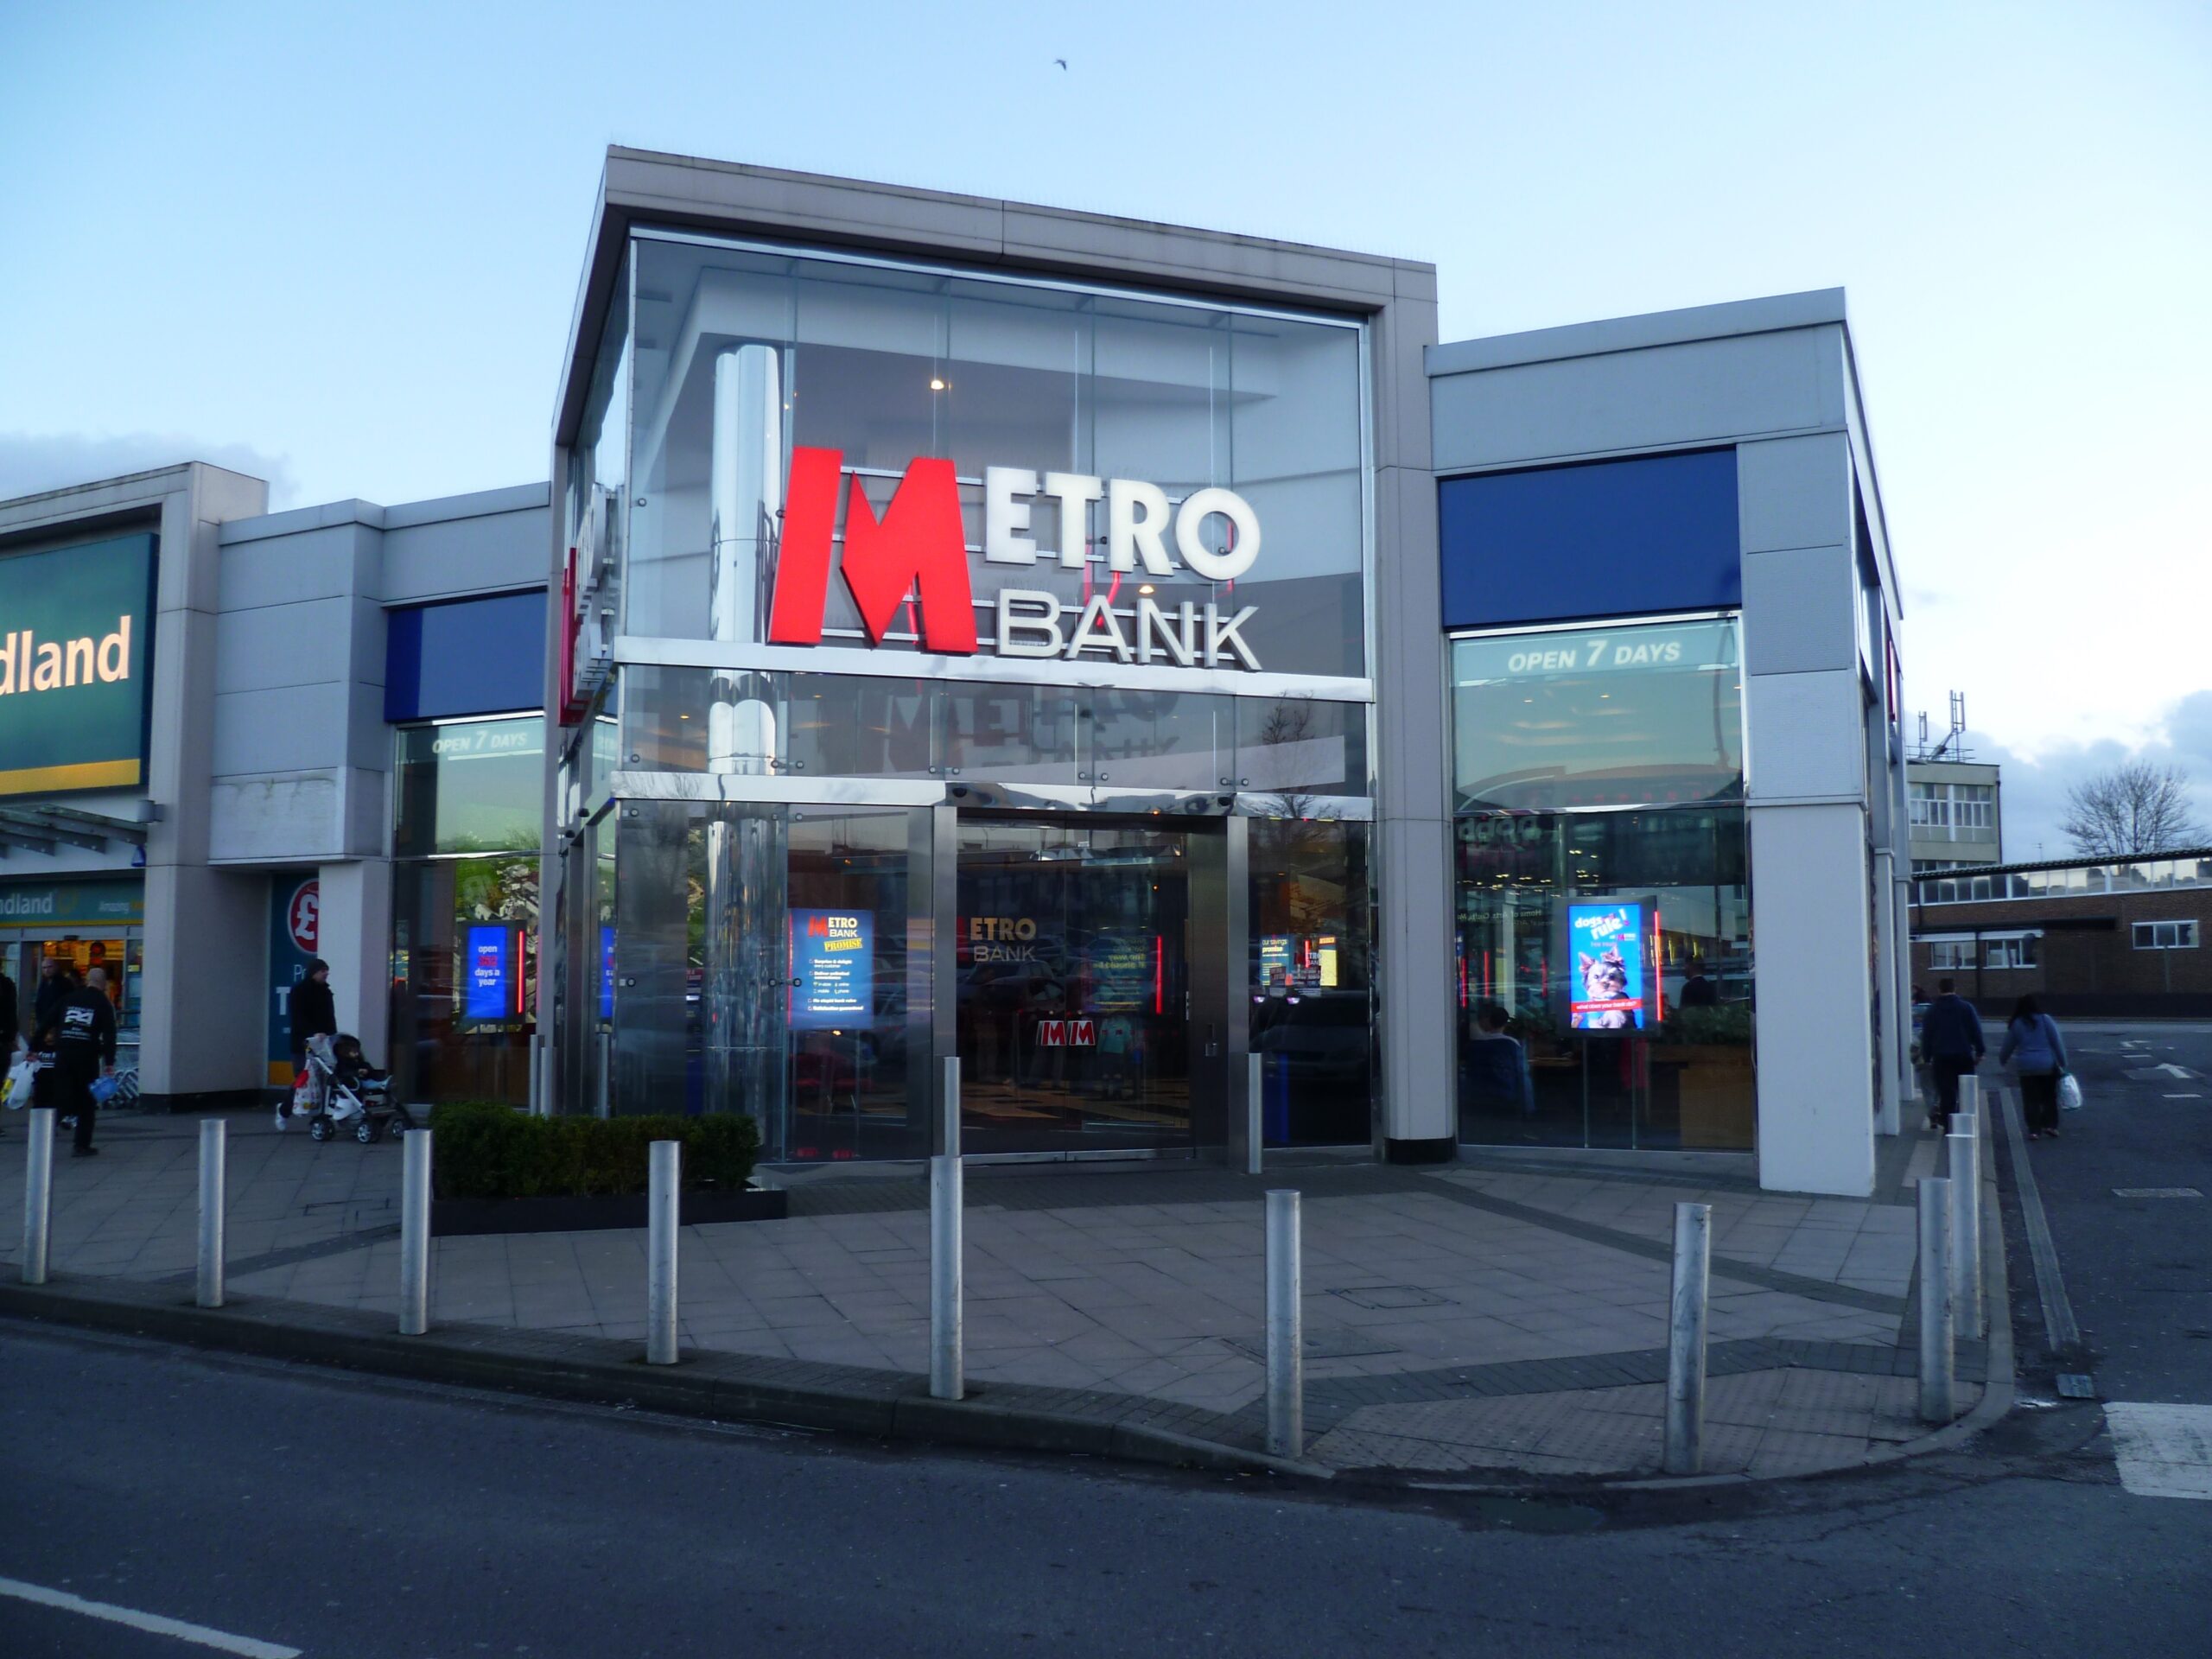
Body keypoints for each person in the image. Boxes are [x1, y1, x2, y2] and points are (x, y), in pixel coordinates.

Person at [40, 964, 117, 1157]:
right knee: (87, 1102)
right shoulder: (102, 1003)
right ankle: (81, 1144)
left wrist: (34, 1045)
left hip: (64, 1054)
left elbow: (47, 1020)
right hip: (86, 1057)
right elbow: (109, 1033)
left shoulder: (70, 998)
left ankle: (50, 1126)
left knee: (62, 1094)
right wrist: (109, 1061)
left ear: (87, 980)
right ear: (103, 984)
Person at [1999, 994, 2070, 1141]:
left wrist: (2003, 1060)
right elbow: (2057, 1043)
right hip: (2047, 1065)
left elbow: (2008, 1046)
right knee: (2049, 1097)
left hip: (2026, 1067)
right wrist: (2063, 1063)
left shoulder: (2017, 1023)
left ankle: (2034, 1130)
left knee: (2030, 1099)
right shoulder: (2046, 1020)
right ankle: (2050, 1125)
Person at [1919, 977, 1985, 1133]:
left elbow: (1927, 1036)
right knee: (1965, 1091)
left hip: (1941, 1058)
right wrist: (1980, 1051)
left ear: (1939, 990)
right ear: (1955, 989)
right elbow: (1976, 1031)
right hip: (1963, 1055)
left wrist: (1927, 1057)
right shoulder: (1966, 1008)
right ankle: (1965, 1124)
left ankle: (1949, 1127)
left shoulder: (1932, 1011)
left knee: (1946, 1092)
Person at [283, 959, 339, 1130]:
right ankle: (284, 1111)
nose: (326, 974)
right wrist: (312, 1032)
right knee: (303, 1079)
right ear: (314, 972)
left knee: (323, 1080)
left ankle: (318, 1117)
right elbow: (298, 1017)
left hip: (323, 1043)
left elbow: (330, 1016)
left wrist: (332, 1035)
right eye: (323, 971)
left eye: (326, 970)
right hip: (303, 1043)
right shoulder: (299, 991)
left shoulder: (326, 992)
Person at [1462, 1001, 1535, 1130]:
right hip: (1505, 1096)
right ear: (1506, 1023)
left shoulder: (1474, 1046)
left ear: (1487, 1021)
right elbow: (1522, 1075)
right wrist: (1528, 1106)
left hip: (1478, 1097)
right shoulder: (1512, 1045)